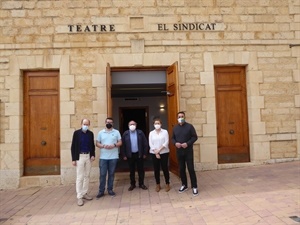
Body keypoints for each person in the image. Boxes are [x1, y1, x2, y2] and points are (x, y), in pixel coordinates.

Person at [171, 111, 199, 196]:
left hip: (188, 151)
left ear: (184, 117)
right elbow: (172, 138)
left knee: (190, 169)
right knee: (181, 169)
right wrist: (175, 143)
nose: (180, 118)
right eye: (179, 117)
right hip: (179, 152)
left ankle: (194, 186)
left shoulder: (190, 127)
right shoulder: (175, 128)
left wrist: (187, 143)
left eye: (182, 116)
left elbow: (195, 137)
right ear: (177, 118)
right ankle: (184, 185)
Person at [71, 118, 95, 206]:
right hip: (79, 157)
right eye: (84, 124)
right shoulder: (76, 133)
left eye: (87, 124)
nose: (85, 126)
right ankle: (79, 196)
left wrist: (93, 155)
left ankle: (85, 193)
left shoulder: (90, 134)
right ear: (81, 124)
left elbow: (92, 145)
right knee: (80, 177)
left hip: (88, 156)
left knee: (87, 175)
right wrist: (73, 159)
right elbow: (73, 146)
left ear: (89, 125)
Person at [96, 117, 122, 198]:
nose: (109, 123)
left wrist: (114, 145)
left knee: (111, 174)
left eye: (111, 122)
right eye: (108, 122)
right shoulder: (101, 133)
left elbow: (120, 142)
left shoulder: (116, 132)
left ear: (113, 123)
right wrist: (103, 145)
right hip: (103, 157)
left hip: (113, 157)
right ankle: (101, 191)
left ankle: (110, 189)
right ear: (105, 123)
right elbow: (97, 143)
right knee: (103, 174)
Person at [121, 120, 148, 191]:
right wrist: (124, 155)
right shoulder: (125, 134)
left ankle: (141, 183)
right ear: (128, 126)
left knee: (141, 170)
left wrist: (145, 153)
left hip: (139, 154)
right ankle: (132, 184)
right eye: (130, 124)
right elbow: (122, 145)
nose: (132, 125)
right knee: (131, 170)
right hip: (130, 155)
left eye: (133, 124)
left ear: (136, 125)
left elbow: (145, 143)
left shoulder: (140, 133)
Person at [149, 117, 170, 192]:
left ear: (161, 124)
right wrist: (156, 152)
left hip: (164, 152)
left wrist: (159, 150)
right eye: (155, 123)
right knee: (156, 169)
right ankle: (158, 184)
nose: (157, 125)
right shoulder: (151, 133)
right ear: (153, 124)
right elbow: (151, 143)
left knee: (165, 168)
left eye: (158, 123)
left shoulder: (165, 132)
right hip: (154, 153)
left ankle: (167, 183)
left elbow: (166, 142)